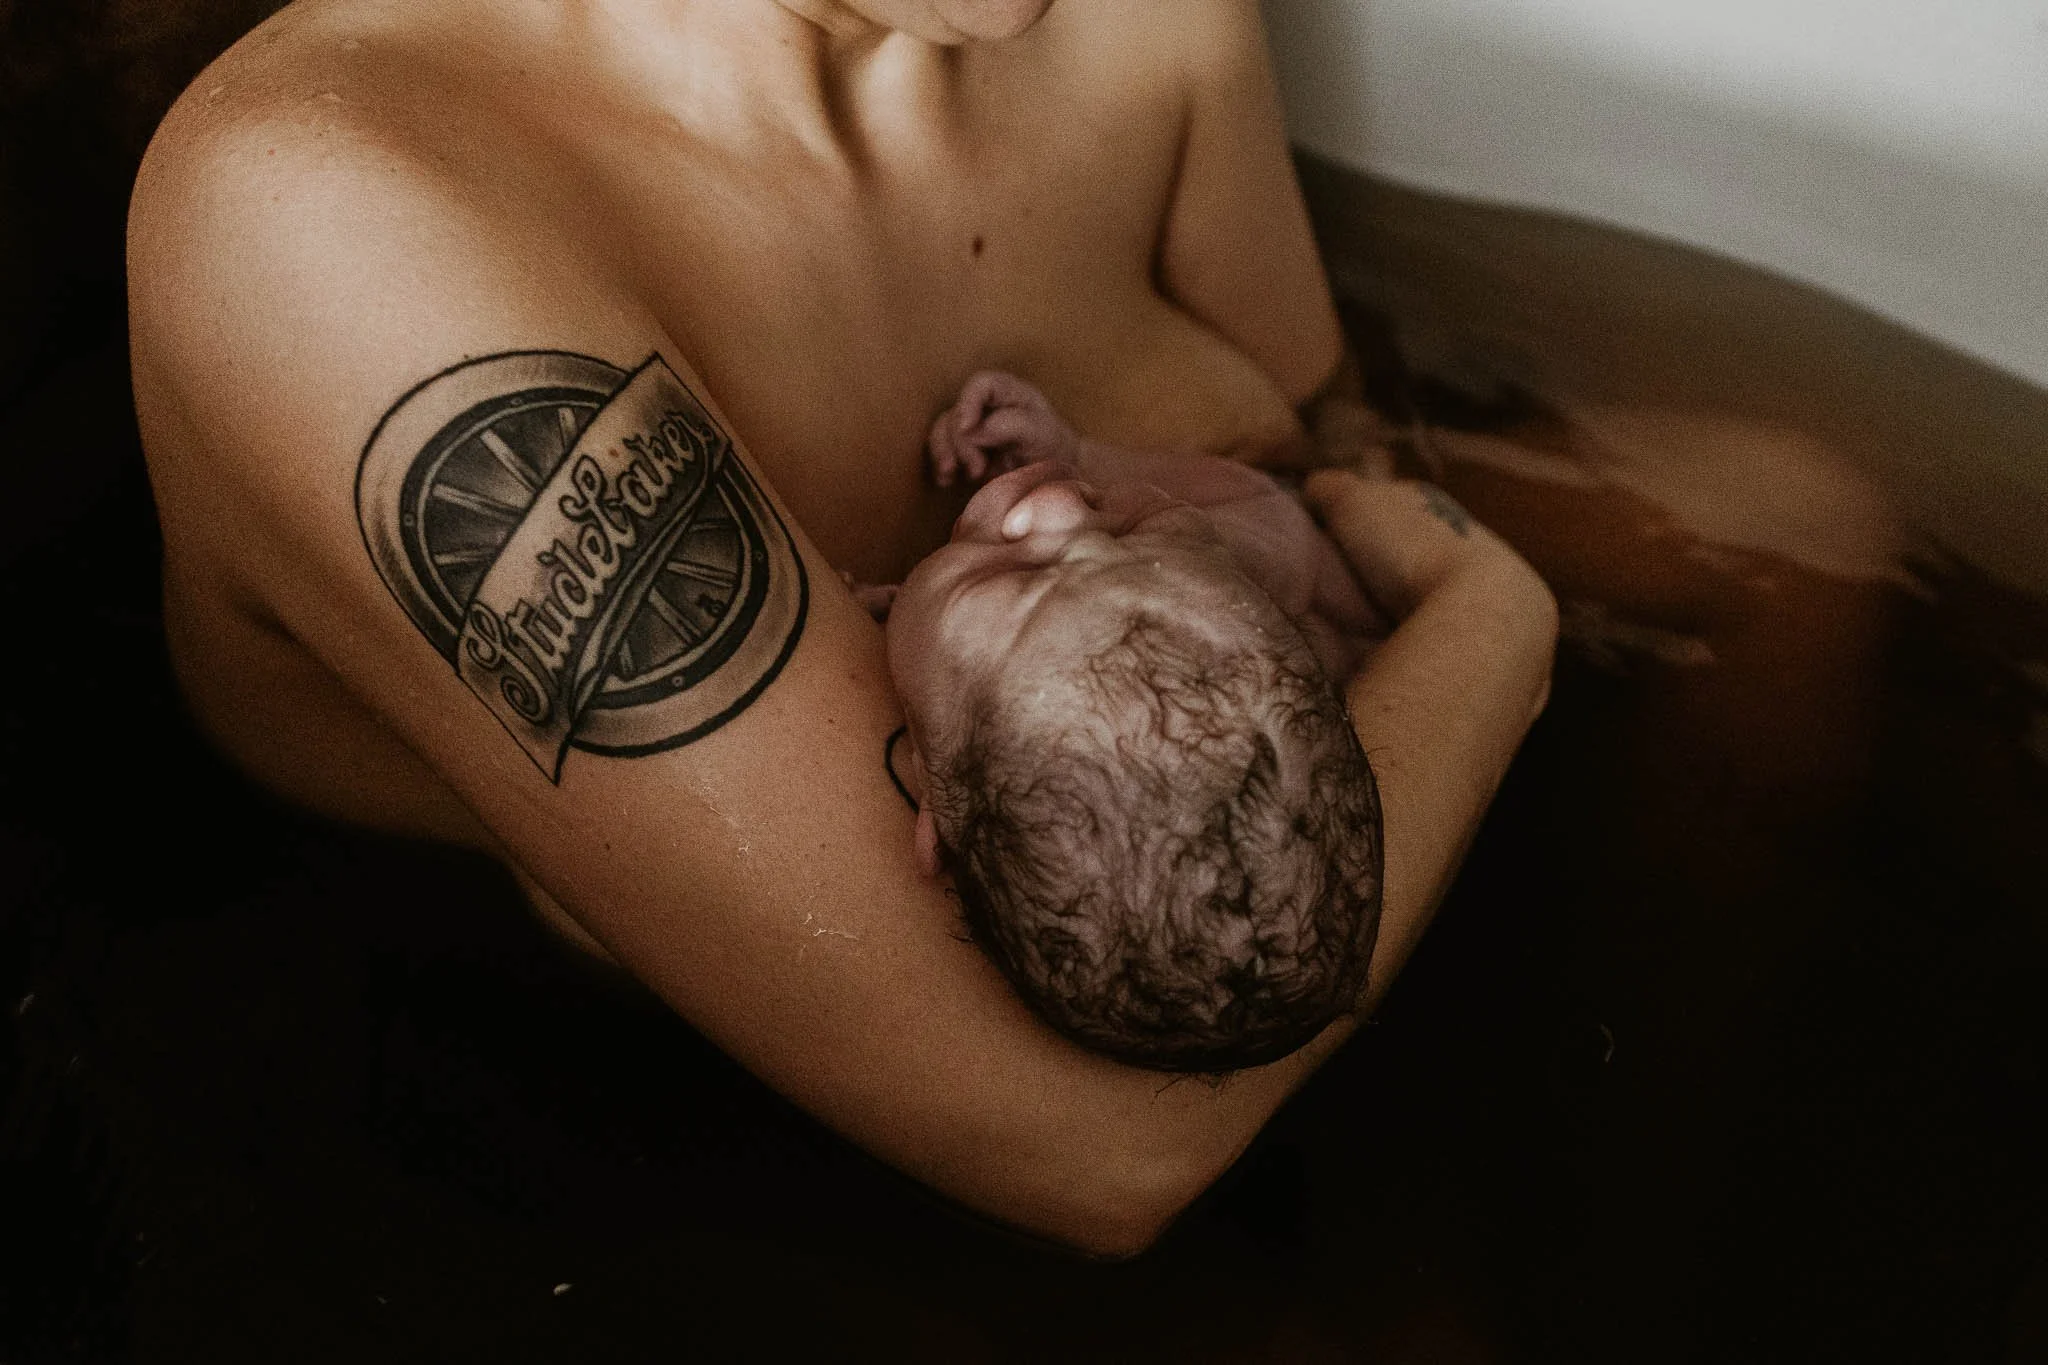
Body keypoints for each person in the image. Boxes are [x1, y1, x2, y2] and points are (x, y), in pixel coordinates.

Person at [128, 0, 1558, 1255]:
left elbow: (1343, 442)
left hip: (1326, 896)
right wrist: (1497, 619)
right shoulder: (342, 216)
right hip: (580, 1138)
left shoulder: (1142, 17)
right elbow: (1121, 1144)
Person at [867, 370, 1389, 1072]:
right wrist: (1089, 455)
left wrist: (882, 631)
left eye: (999, 582)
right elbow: (1269, 509)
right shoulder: (1248, 577)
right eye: (1142, 528)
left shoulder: (1164, 598)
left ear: (926, 781)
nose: (1052, 503)